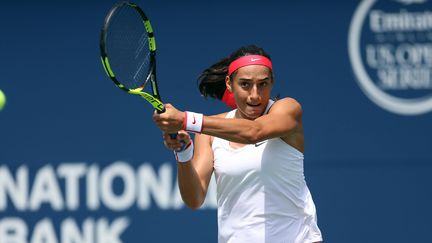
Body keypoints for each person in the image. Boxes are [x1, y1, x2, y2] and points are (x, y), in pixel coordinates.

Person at [153, 45, 323, 243]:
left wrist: (185, 119)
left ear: (272, 82)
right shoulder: (209, 135)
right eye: (245, 84)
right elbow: (194, 199)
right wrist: (183, 151)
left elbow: (253, 132)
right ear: (229, 83)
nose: (254, 95)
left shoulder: (288, 109)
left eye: (263, 84)